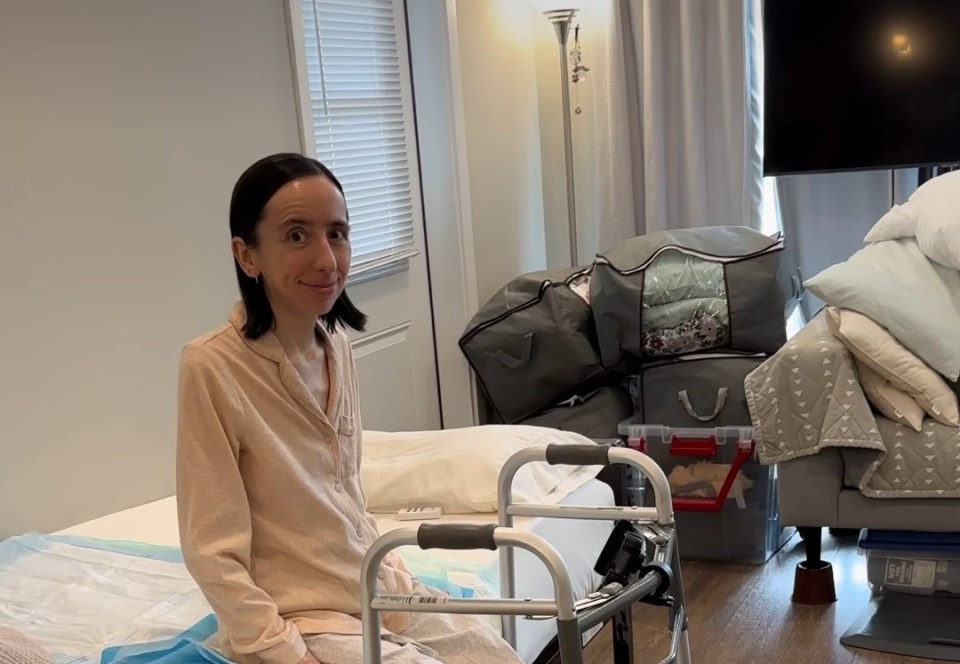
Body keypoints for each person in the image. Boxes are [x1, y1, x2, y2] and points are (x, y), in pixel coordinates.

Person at [176, 153, 523, 664]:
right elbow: (212, 550)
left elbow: (346, 495)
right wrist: (283, 650)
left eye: (337, 233)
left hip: (374, 587)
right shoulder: (212, 366)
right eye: (297, 235)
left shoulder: (334, 344)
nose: (326, 258)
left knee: (500, 657)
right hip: (300, 618)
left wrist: (396, 580)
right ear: (246, 255)